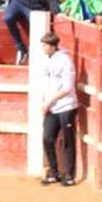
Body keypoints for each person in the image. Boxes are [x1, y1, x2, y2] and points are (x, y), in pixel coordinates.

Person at [38, 29, 77, 185]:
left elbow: (67, 88)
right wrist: (45, 101)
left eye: (45, 45)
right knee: (47, 139)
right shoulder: (46, 60)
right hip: (51, 106)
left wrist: (48, 101)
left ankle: (69, 175)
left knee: (68, 141)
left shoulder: (65, 61)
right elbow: (46, 84)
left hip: (66, 105)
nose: (43, 48)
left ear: (53, 46)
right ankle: (54, 172)